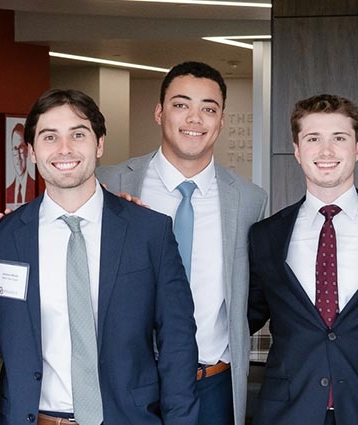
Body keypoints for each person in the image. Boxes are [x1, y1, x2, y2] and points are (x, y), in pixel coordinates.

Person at [0, 88, 199, 425]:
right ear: (32, 152)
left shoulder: (149, 232)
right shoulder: (2, 239)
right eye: (49, 137)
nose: (64, 149)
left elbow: (178, 342)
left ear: (99, 144)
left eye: (78, 134)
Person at [93, 61, 265, 425]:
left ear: (220, 121)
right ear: (159, 112)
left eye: (208, 108)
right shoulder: (106, 184)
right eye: (181, 104)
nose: (195, 118)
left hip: (211, 384)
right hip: (124, 381)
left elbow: (253, 295)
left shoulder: (249, 200)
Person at [247, 94, 358, 425]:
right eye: (313, 139)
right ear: (297, 151)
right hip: (287, 411)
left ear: (357, 147)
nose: (326, 151)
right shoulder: (266, 235)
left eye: (339, 138)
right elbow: (248, 315)